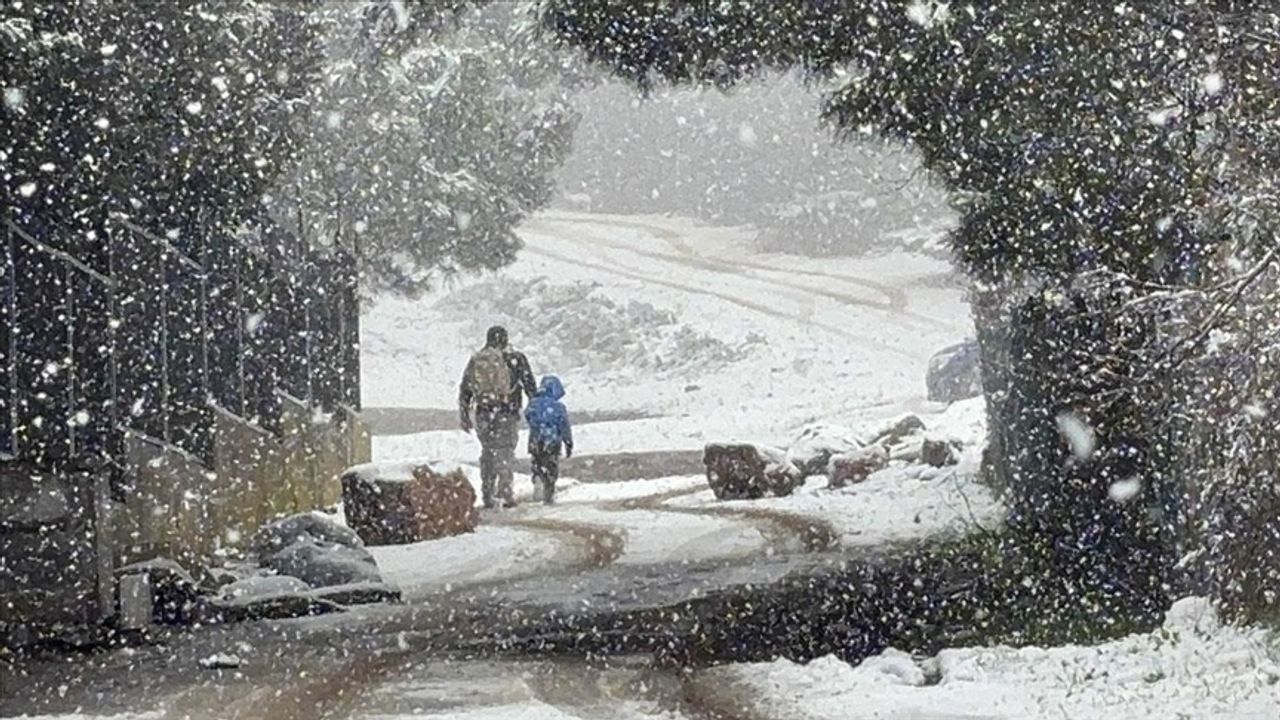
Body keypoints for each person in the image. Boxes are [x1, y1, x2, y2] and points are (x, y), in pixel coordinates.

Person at [458, 326, 536, 508]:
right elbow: (529, 385)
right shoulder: (516, 358)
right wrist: (534, 407)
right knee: (505, 451)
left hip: (484, 413)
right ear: (505, 339)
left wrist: (464, 415)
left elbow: (465, 388)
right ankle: (505, 493)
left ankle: (487, 493)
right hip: (507, 412)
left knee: (488, 451)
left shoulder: (478, 359)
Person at [524, 375, 573, 504]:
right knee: (551, 467)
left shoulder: (533, 403)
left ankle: (537, 479)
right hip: (552, 441)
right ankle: (548, 492)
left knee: (537, 462)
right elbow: (564, 426)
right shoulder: (558, 407)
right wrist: (568, 442)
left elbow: (528, 416)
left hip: (535, 439)